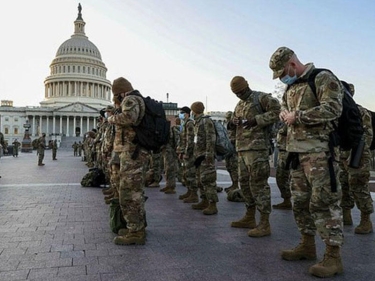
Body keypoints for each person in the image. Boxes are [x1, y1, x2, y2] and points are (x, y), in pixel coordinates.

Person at [269, 46, 344, 278]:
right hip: (297, 154)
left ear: (292, 64)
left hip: (320, 153)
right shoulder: (291, 87)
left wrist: (298, 116)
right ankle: (307, 244)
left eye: (282, 72)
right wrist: (284, 114)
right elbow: (286, 109)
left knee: (323, 203)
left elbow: (333, 109)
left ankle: (333, 257)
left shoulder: (322, 78)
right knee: (300, 203)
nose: (282, 78)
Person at [228, 76, 280, 237]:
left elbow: (277, 111)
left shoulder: (261, 98)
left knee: (258, 184)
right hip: (242, 149)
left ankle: (264, 223)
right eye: (236, 93)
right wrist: (234, 121)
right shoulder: (239, 104)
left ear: (247, 86)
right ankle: (249, 216)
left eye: (241, 92)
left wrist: (256, 120)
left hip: (258, 149)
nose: (239, 95)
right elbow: (232, 123)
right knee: (244, 183)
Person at [107, 77, 149, 245]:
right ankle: (136, 227)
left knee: (130, 193)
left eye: (116, 96)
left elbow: (128, 118)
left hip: (133, 153)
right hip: (131, 153)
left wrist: (111, 118)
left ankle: (136, 231)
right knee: (131, 192)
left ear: (121, 92)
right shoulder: (134, 99)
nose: (116, 100)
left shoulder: (131, 99)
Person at [339, 84, 373, 234]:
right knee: (343, 184)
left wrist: (357, 155)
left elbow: (366, 136)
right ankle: (346, 215)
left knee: (358, 186)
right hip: (341, 155)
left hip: (358, 155)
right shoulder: (336, 109)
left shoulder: (359, 111)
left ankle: (366, 220)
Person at [190, 101, 218, 215]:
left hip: (205, 156)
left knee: (208, 180)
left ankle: (212, 204)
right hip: (198, 156)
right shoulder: (197, 122)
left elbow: (211, 138)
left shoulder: (206, 121)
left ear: (194, 110)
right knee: (200, 180)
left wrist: (209, 154)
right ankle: (204, 200)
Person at [176, 106, 198, 203]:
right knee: (186, 173)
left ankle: (194, 194)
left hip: (189, 153)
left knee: (190, 173)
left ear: (187, 114)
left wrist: (187, 153)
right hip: (184, 152)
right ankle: (189, 191)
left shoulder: (189, 123)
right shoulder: (184, 124)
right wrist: (180, 151)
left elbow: (190, 140)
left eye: (182, 113)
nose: (180, 115)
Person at [273, 123, 292, 209]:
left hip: (289, 150)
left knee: (282, 176)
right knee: (281, 176)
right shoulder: (281, 120)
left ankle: (288, 200)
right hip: (283, 149)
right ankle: (287, 200)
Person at [223, 111, 239, 194]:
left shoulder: (235, 125)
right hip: (228, 148)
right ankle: (233, 183)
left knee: (234, 167)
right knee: (229, 167)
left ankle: (236, 185)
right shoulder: (228, 125)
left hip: (234, 148)